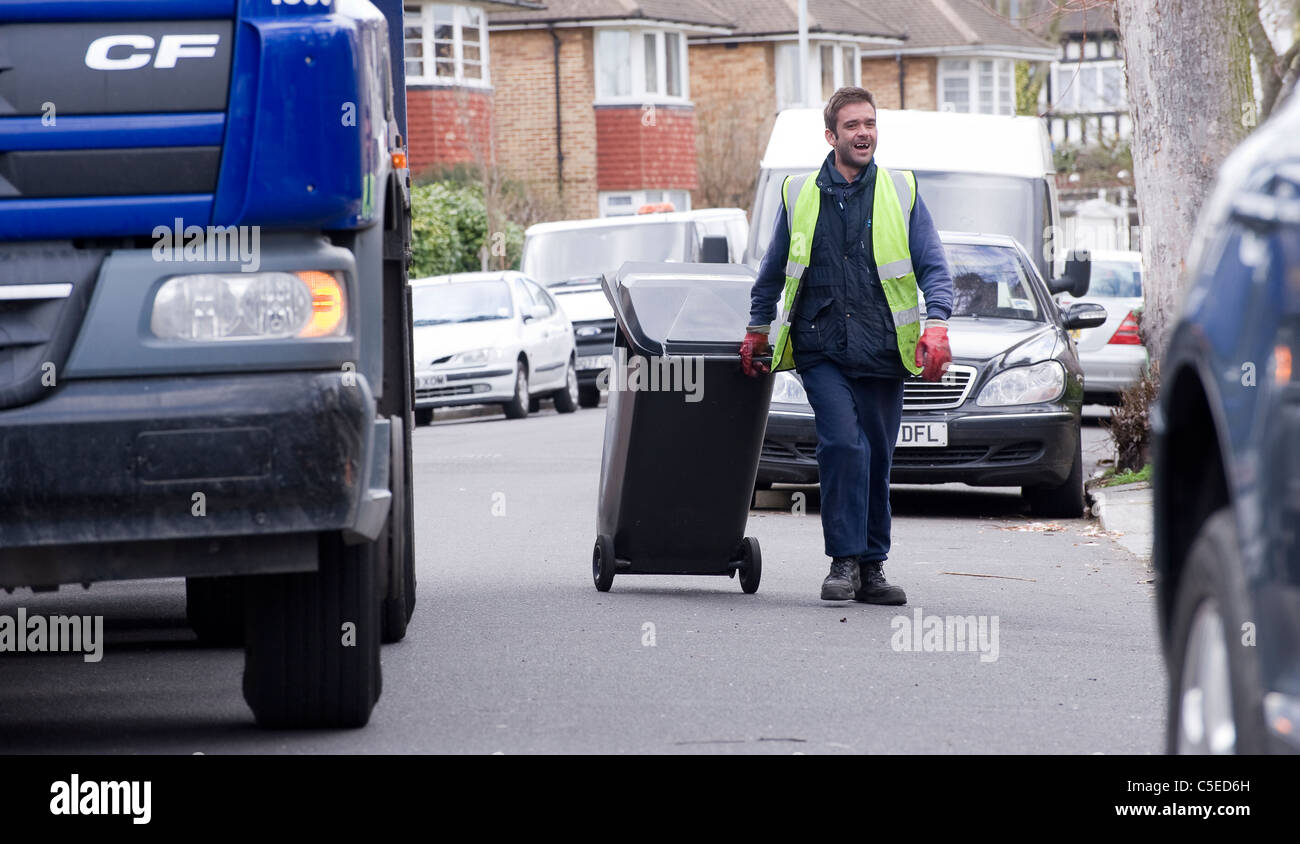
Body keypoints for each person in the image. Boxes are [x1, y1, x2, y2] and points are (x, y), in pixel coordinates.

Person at [740, 86, 955, 604]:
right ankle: (843, 561)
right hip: (821, 347)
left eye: (870, 124)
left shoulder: (900, 191)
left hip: (882, 350)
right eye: (854, 125)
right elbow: (772, 273)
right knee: (842, 445)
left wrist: (938, 323)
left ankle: (872, 568)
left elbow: (933, 265)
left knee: (877, 456)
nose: (864, 133)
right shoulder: (798, 192)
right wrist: (757, 327)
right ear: (831, 135)